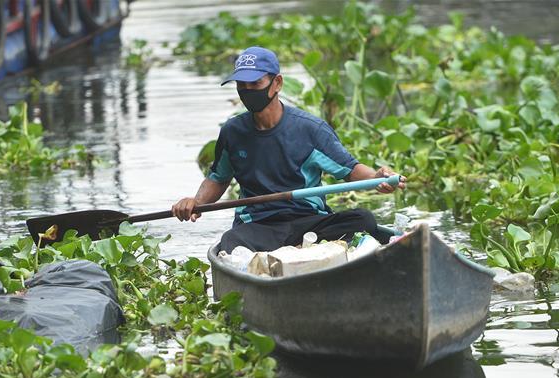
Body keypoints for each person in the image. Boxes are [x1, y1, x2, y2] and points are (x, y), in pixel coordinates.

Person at [171, 46, 406, 253]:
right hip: (260, 227)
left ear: (277, 83)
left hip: (309, 222)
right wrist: (196, 201)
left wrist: (377, 178)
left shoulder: (310, 129)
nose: (247, 91)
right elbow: (218, 179)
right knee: (231, 241)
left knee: (363, 219)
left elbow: (350, 170)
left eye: (255, 84)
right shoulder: (233, 132)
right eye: (242, 85)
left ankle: (305, 249)